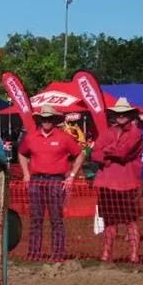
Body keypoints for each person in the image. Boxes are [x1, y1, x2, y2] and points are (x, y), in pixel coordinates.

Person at [18, 105, 86, 261]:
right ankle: (34, 254)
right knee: (35, 218)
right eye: (44, 118)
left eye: (49, 118)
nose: (47, 121)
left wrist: (72, 176)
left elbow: (80, 154)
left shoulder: (64, 137)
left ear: (54, 120)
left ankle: (58, 254)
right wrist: (26, 173)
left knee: (56, 219)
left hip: (56, 181)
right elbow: (21, 153)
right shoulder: (31, 137)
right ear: (40, 120)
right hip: (36, 181)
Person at [93, 98, 143, 263]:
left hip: (127, 183)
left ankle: (134, 254)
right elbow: (94, 153)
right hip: (107, 183)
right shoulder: (107, 132)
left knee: (131, 220)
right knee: (109, 221)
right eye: (118, 113)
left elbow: (123, 153)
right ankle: (106, 253)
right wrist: (109, 153)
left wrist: (106, 151)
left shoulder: (136, 133)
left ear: (130, 115)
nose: (121, 116)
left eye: (124, 113)